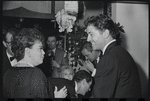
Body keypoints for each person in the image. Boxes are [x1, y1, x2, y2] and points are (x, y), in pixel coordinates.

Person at [84, 14, 142, 98]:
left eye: (91, 34)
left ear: (105, 33)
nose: (88, 39)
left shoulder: (109, 58)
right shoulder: (120, 52)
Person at [3, 28, 67, 98]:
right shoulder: (36, 75)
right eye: (40, 48)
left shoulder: (8, 73)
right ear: (28, 51)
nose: (43, 52)